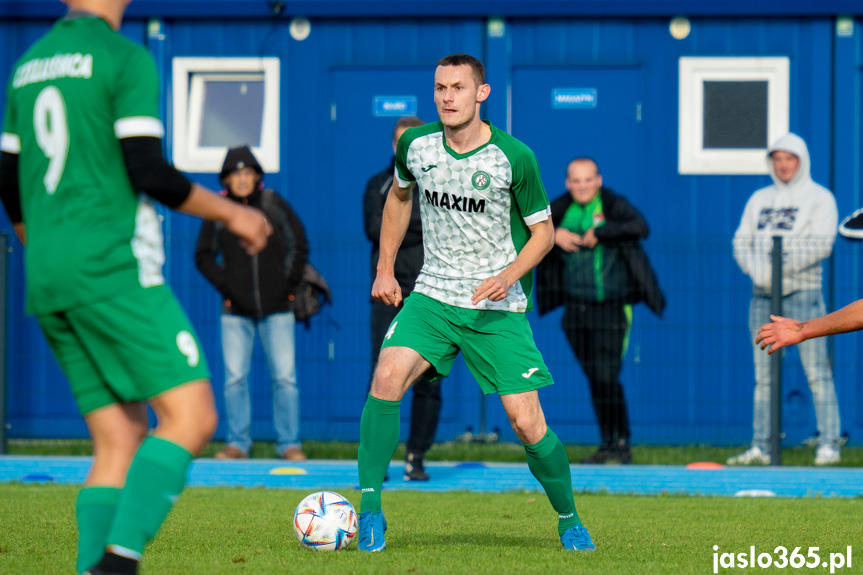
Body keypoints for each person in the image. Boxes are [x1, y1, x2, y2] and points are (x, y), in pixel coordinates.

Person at [0, 2, 271, 574]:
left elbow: (7, 182)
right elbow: (147, 170)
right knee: (192, 415)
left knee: (120, 437)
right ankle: (118, 563)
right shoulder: (122, 57)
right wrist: (234, 215)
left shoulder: (28, 65)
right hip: (111, 267)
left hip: (49, 273)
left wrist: (47, 247)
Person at [357, 53, 595, 552]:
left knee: (527, 423)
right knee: (385, 378)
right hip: (434, 296)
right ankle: (370, 512)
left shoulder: (514, 157)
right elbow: (399, 199)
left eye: (458, 88)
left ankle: (569, 519)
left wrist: (506, 277)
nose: (447, 96)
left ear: (481, 94)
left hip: (496, 307)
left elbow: (544, 234)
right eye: (440, 87)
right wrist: (384, 267)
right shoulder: (415, 145)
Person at [536, 158, 665, 465]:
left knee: (607, 375)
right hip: (575, 309)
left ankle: (621, 442)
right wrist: (554, 235)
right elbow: (525, 230)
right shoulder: (558, 209)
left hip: (612, 307)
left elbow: (640, 227)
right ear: (568, 183)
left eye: (588, 180)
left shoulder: (612, 204)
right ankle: (608, 443)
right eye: (576, 181)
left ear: (598, 181)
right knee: (594, 376)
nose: (582, 186)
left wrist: (603, 232)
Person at [730, 133, 841, 466]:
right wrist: (763, 275)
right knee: (763, 378)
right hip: (762, 297)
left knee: (816, 372)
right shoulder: (759, 199)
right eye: (777, 159)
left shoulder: (820, 198)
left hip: (802, 294)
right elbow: (741, 242)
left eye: (789, 158)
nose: (783, 165)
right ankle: (761, 446)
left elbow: (821, 245)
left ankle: (829, 443)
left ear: (801, 161)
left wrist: (779, 271)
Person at [195, 145, 308, 461]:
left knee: (285, 378)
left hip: (278, 308)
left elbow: (299, 244)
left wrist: (285, 284)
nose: (242, 179)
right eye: (235, 174)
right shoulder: (218, 211)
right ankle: (238, 443)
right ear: (226, 180)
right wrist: (228, 287)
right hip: (235, 310)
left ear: (257, 176)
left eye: (247, 173)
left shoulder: (273, 204)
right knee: (234, 379)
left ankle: (289, 444)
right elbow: (202, 256)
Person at [363, 116, 442, 481]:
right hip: (388, 295)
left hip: (433, 294)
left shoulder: (440, 180)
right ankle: (377, 460)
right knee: (382, 375)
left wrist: (402, 226)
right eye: (400, 141)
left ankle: (416, 456)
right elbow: (375, 229)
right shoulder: (377, 185)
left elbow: (441, 228)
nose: (405, 147)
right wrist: (413, 226)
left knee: (429, 379)